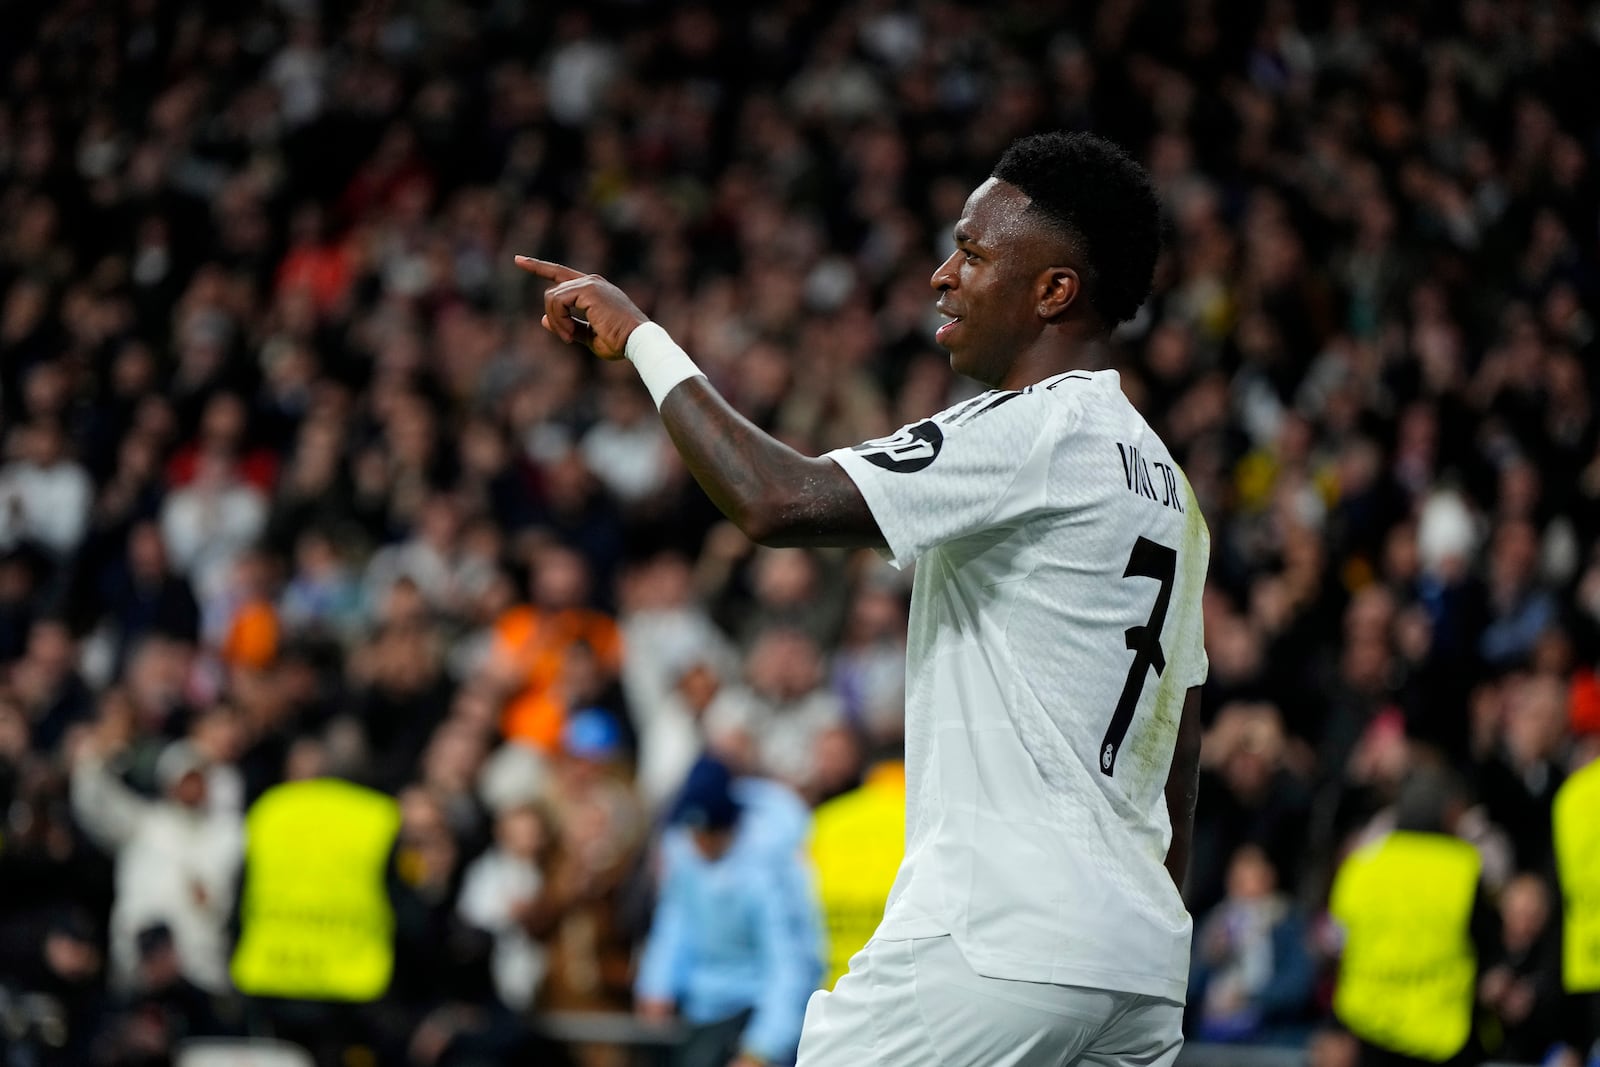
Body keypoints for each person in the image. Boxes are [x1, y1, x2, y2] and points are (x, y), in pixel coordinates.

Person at [519, 130, 1209, 1066]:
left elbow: (776, 499)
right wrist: (1155, 923)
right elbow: (1179, 744)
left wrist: (643, 337)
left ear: (1055, 291)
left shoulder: (1034, 431)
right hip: (1137, 962)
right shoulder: (1168, 487)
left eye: (972, 252)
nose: (940, 274)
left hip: (997, 939)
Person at [634, 757, 821, 1067]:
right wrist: (656, 985)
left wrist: (762, 1048)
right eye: (694, 834)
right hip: (699, 1012)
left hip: (752, 1012)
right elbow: (674, 924)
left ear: (728, 826)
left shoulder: (766, 874)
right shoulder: (683, 857)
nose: (700, 844)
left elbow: (788, 962)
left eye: (709, 833)